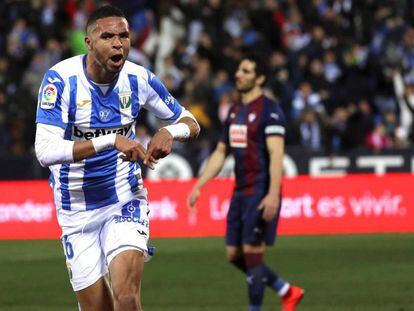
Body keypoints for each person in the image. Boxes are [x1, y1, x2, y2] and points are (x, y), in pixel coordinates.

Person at [34, 5, 199, 311]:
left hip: (124, 197)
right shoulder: (61, 81)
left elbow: (191, 122)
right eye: (107, 36)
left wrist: (169, 133)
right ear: (88, 42)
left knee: (126, 297)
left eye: (123, 35)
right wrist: (110, 140)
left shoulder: (139, 78)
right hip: (75, 209)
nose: (117, 43)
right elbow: (45, 151)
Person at [189, 55, 303, 311]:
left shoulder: (270, 111)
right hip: (240, 191)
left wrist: (273, 194)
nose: (238, 74)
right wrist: (200, 185)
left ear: (259, 78)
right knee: (234, 255)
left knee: (252, 254)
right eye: (239, 70)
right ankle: (287, 290)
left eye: (246, 71)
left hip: (261, 191)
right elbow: (220, 152)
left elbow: (276, 156)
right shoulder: (234, 111)